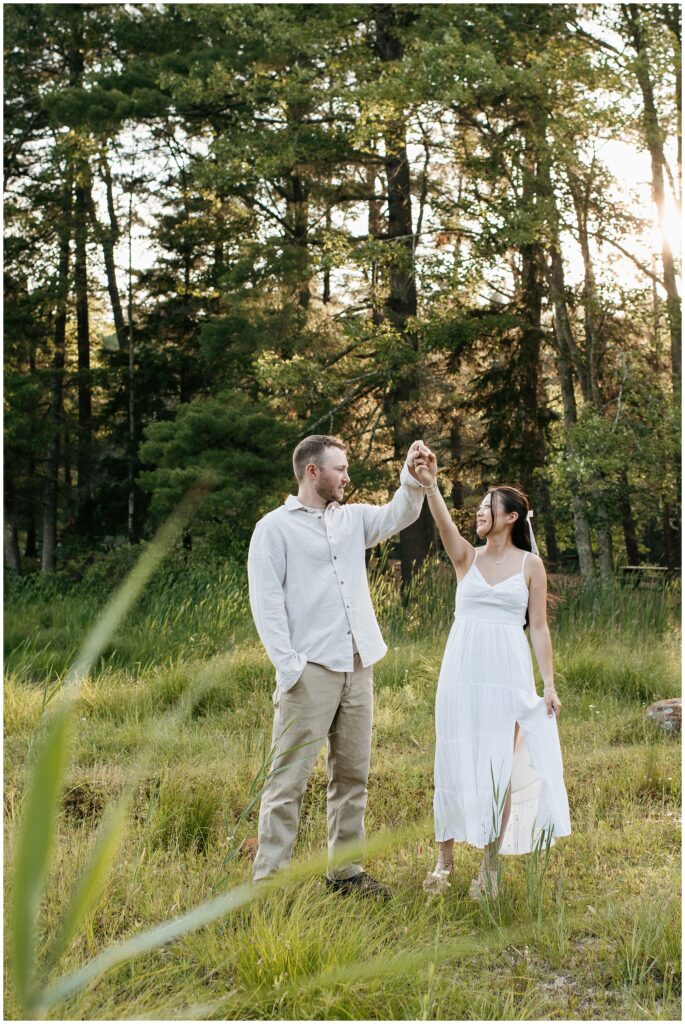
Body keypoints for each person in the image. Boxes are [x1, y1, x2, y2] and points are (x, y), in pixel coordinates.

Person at [247, 434, 428, 897]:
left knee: (352, 776)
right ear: (313, 472)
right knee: (287, 782)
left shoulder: (352, 520)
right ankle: (270, 886)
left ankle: (345, 874)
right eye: (340, 469)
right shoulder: (274, 528)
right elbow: (266, 604)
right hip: (309, 671)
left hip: (358, 668)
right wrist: (290, 668)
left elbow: (399, 513)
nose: (348, 477)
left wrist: (411, 472)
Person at [412, 443, 571, 898]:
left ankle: (489, 865)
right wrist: (431, 486)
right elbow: (443, 523)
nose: (480, 512)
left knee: (498, 767)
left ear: (511, 518)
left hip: (507, 672)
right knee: (453, 759)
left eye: (488, 507)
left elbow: (538, 628)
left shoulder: (530, 565)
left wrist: (549, 684)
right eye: (480, 507)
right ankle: (443, 863)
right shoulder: (467, 558)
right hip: (462, 670)